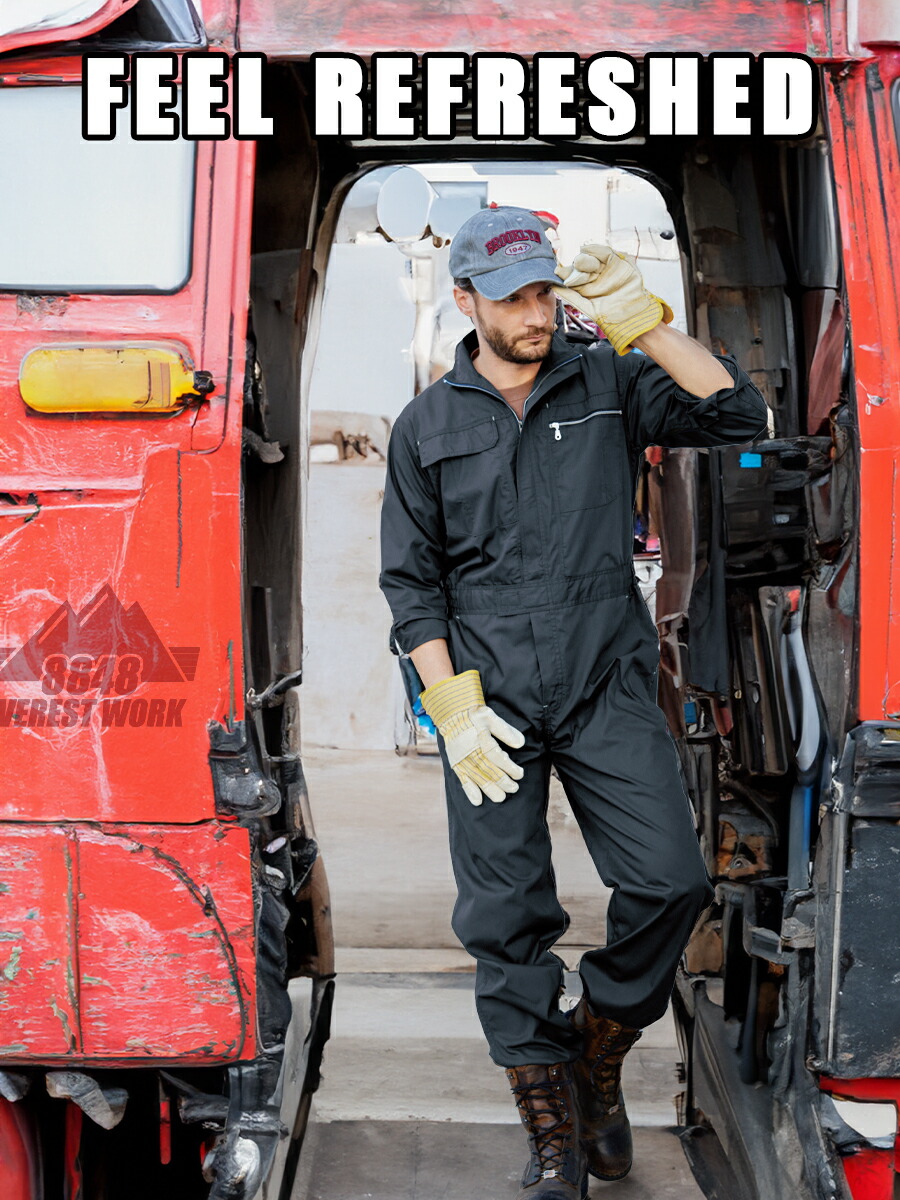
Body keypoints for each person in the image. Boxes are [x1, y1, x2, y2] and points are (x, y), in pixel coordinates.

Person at [379, 206, 768, 1199]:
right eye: (513, 297)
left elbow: (735, 416)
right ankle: (555, 1136)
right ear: (465, 301)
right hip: (490, 701)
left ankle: (595, 1049)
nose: (537, 312)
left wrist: (644, 322)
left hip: (604, 683)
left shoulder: (607, 379)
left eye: (546, 291)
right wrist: (449, 707)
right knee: (505, 921)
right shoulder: (428, 426)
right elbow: (411, 585)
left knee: (672, 881)